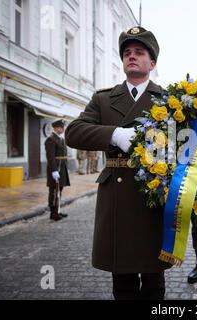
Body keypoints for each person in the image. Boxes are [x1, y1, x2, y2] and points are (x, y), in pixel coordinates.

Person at [65, 26, 171, 300]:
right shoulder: (103, 99)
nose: (131, 56)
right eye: (127, 53)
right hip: (117, 198)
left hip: (154, 195)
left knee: (153, 279)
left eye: (139, 52)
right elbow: (73, 132)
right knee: (122, 280)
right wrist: (114, 134)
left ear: (152, 63)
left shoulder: (170, 100)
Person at [45, 120, 70, 221]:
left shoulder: (61, 139)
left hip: (62, 168)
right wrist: (54, 170)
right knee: (54, 191)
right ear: (55, 128)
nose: (63, 129)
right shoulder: (50, 140)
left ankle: (58, 211)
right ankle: (53, 213)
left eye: (63, 127)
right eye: (61, 127)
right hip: (55, 169)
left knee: (59, 190)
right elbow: (50, 157)